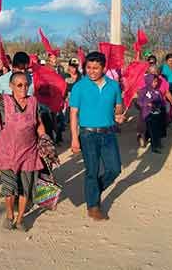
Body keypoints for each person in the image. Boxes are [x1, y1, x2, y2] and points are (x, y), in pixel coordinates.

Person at [0, 58, 47, 232]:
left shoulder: (33, 102)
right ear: (11, 86)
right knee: (9, 187)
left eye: (26, 85)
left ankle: (20, 219)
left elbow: (39, 123)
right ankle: (9, 214)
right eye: (19, 85)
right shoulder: (4, 101)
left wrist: (44, 138)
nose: (23, 88)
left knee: (25, 188)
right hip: (7, 152)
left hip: (29, 151)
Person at [69, 51, 124, 221]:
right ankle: (93, 206)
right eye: (88, 67)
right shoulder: (79, 87)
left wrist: (119, 116)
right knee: (91, 171)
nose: (92, 71)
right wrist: (74, 138)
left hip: (108, 134)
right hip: (87, 134)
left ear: (104, 68)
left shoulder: (114, 86)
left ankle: (92, 191)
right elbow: (73, 114)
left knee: (114, 169)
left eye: (96, 68)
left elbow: (118, 108)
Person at [0, 52, 34, 144]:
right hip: (8, 128)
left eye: (25, 69)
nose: (23, 72)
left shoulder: (32, 80)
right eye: (20, 69)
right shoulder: (1, 81)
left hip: (28, 128)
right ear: (13, 66)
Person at [137, 74, 166, 154]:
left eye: (156, 82)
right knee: (152, 131)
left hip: (157, 113)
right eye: (154, 82)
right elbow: (139, 102)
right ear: (149, 81)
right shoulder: (143, 90)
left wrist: (160, 105)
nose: (156, 83)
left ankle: (158, 143)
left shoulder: (157, 91)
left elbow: (161, 101)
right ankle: (154, 147)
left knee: (157, 130)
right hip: (148, 114)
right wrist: (147, 103)